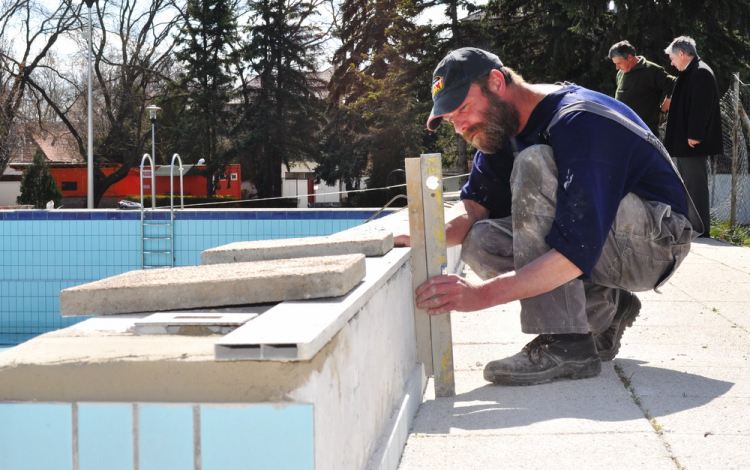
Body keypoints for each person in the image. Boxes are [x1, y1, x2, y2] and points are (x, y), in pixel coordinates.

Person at [395, 47, 702, 386]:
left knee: (535, 162)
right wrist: (420, 236)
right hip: (611, 241)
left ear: (496, 83)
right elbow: (474, 207)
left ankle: (566, 344)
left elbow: (575, 251)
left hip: (657, 243)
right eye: (452, 120)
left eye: (463, 109)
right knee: (483, 241)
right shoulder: (502, 128)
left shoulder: (579, 120)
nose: (460, 128)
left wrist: (479, 296)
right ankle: (609, 308)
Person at [663, 36, 723, 236]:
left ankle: (700, 230)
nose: (672, 63)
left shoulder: (701, 72)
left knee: (694, 187)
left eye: (672, 58)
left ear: (681, 54)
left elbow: (701, 107)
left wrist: (695, 134)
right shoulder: (693, 71)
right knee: (686, 186)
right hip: (684, 142)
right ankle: (691, 228)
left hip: (691, 143)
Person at [608, 40, 676, 135]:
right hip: (623, 130)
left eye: (619, 63)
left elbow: (674, 86)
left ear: (630, 57)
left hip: (644, 133)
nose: (617, 67)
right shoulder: (620, 73)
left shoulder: (651, 70)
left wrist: (662, 110)